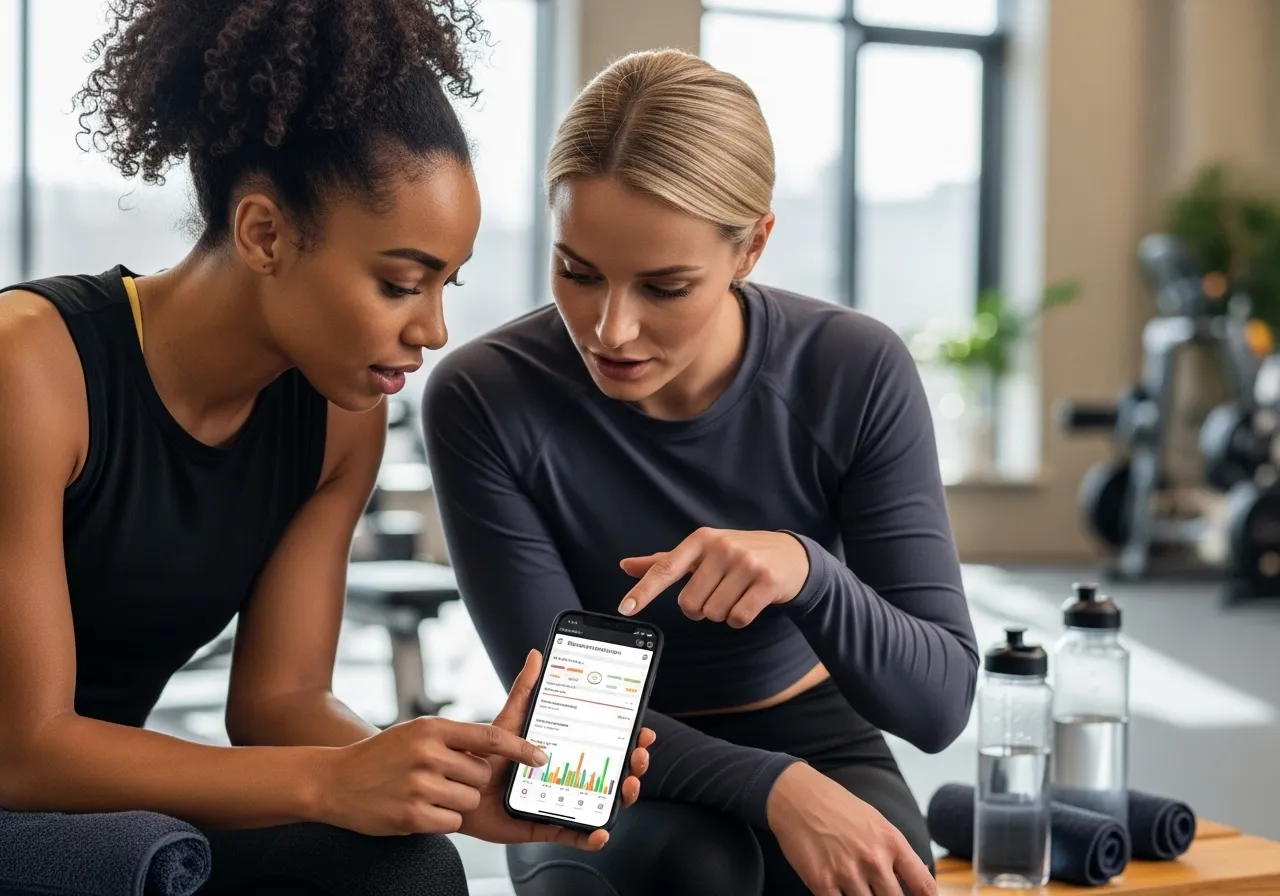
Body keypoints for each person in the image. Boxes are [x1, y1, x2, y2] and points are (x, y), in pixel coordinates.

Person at [0, 2, 652, 894]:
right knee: (149, 863)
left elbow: (279, 703)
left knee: (406, 869)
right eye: (398, 282)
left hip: (97, 810)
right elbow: (24, 753)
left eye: (444, 284)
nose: (432, 328)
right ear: (264, 232)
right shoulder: (31, 366)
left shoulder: (340, 416)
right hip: (36, 791)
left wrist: (456, 786)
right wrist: (332, 781)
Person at [423, 48, 978, 896]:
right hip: (594, 750)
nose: (610, 329)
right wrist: (774, 786)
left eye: (665, 286)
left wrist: (810, 573)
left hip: (811, 726)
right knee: (698, 870)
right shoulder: (484, 395)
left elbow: (938, 707)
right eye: (577, 271)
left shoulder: (853, 369)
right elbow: (566, 718)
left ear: (752, 244)